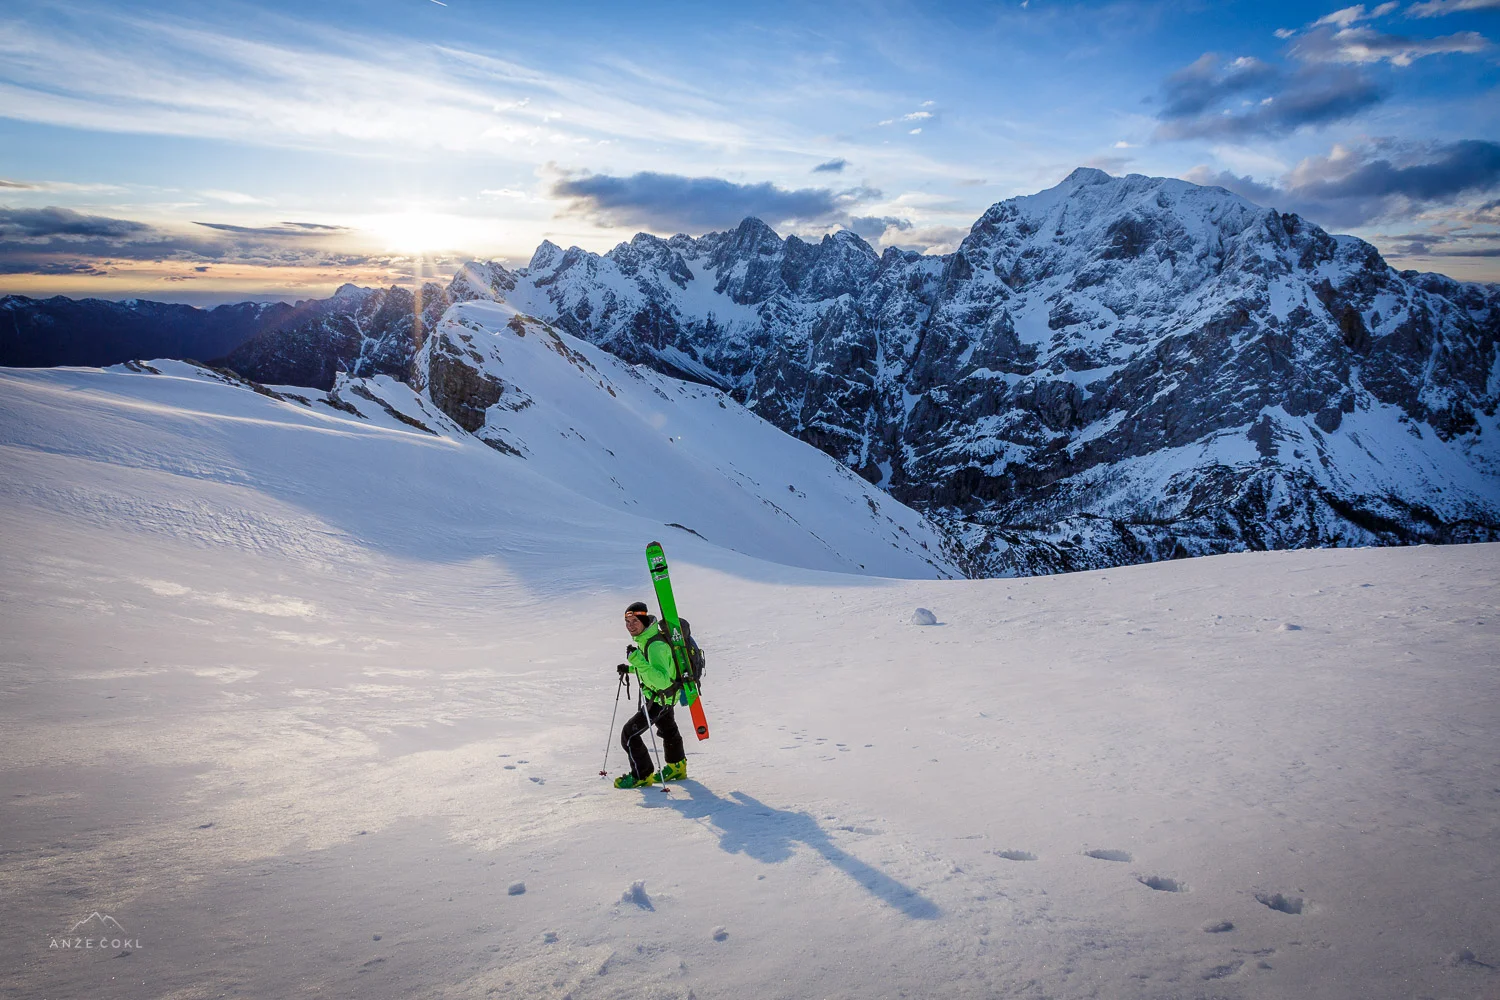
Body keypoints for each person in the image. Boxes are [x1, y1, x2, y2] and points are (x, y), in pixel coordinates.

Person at [613, 601, 687, 788]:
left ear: (645, 621)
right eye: (627, 622)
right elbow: (655, 670)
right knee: (668, 729)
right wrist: (630, 669)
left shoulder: (655, 646)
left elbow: (662, 680)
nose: (630, 626)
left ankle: (642, 775)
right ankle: (677, 766)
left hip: (660, 698)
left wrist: (637, 661)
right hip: (664, 696)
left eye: (635, 621)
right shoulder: (648, 639)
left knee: (629, 735)